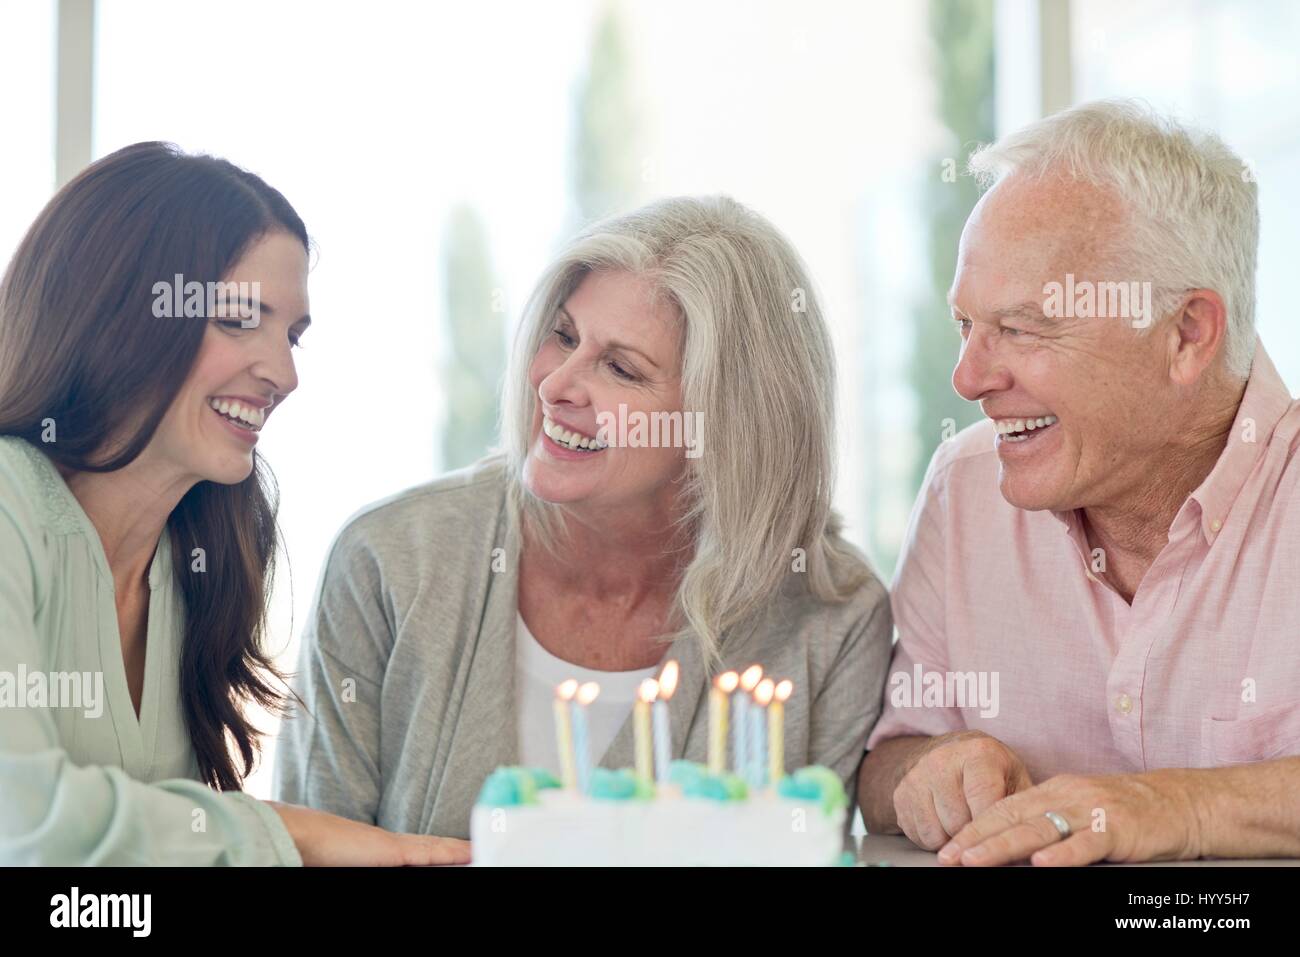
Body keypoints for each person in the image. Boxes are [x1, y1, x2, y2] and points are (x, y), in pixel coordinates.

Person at [275, 195, 893, 839]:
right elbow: (309, 849)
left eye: (621, 368)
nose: (554, 384)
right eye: (563, 336)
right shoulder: (388, 561)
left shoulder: (831, 620)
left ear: (727, 424)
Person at [0, 142, 469, 866]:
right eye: (240, 319)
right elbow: (26, 825)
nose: (282, 373)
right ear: (118, 311)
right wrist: (290, 834)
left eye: (292, 335)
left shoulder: (200, 561)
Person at [859, 101, 1300, 866]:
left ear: (1187, 333)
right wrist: (933, 769)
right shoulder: (963, 490)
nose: (968, 378)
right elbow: (885, 765)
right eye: (967, 325)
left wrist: (1174, 808)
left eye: (1023, 328)